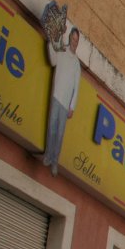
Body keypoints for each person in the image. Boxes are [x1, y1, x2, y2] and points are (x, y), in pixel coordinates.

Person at [43, 27, 81, 176]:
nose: (74, 42)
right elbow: (53, 61)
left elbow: (76, 87)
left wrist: (72, 106)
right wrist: (51, 43)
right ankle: (48, 155)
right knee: (52, 128)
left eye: (77, 41)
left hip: (66, 103)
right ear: (69, 38)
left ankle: (54, 161)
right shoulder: (62, 50)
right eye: (73, 39)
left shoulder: (77, 64)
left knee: (59, 134)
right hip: (56, 96)